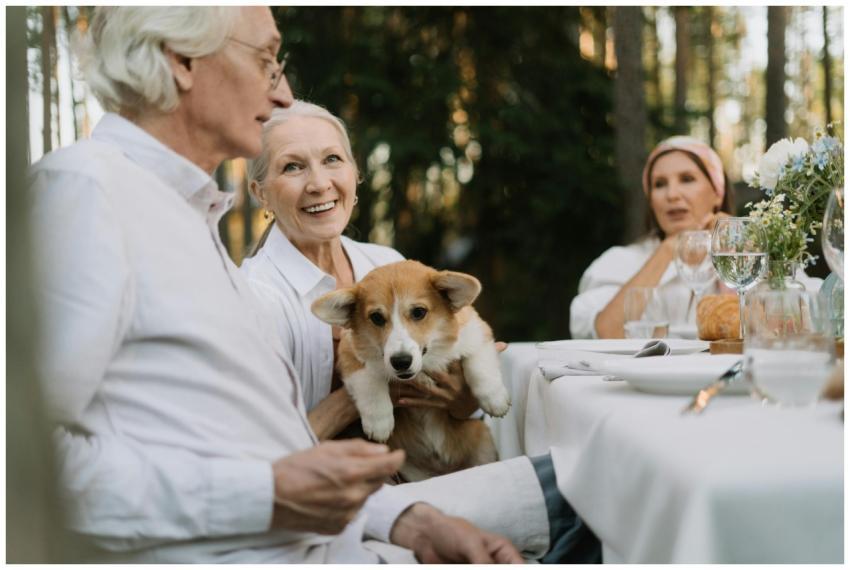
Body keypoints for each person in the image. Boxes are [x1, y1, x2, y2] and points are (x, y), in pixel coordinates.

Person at [29, 6, 599, 563]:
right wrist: (266, 493)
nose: (281, 94)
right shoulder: (86, 193)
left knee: (603, 470)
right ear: (180, 61)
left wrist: (408, 519)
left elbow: (275, 452)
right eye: (267, 60)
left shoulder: (187, 223)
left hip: (346, 537)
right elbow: (25, 458)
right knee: (598, 482)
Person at [240, 101, 480, 441]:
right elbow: (259, 450)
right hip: (324, 475)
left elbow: (465, 407)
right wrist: (360, 395)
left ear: (354, 174)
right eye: (293, 167)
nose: (319, 183)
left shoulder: (387, 263)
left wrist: (464, 400)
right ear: (260, 193)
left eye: (332, 159)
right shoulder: (253, 296)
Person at [570, 136, 737, 339]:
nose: (672, 194)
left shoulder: (746, 259)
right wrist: (667, 250)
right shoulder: (619, 261)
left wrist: (739, 246)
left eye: (687, 179)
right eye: (659, 184)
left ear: (717, 192)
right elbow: (606, 333)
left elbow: (767, 332)